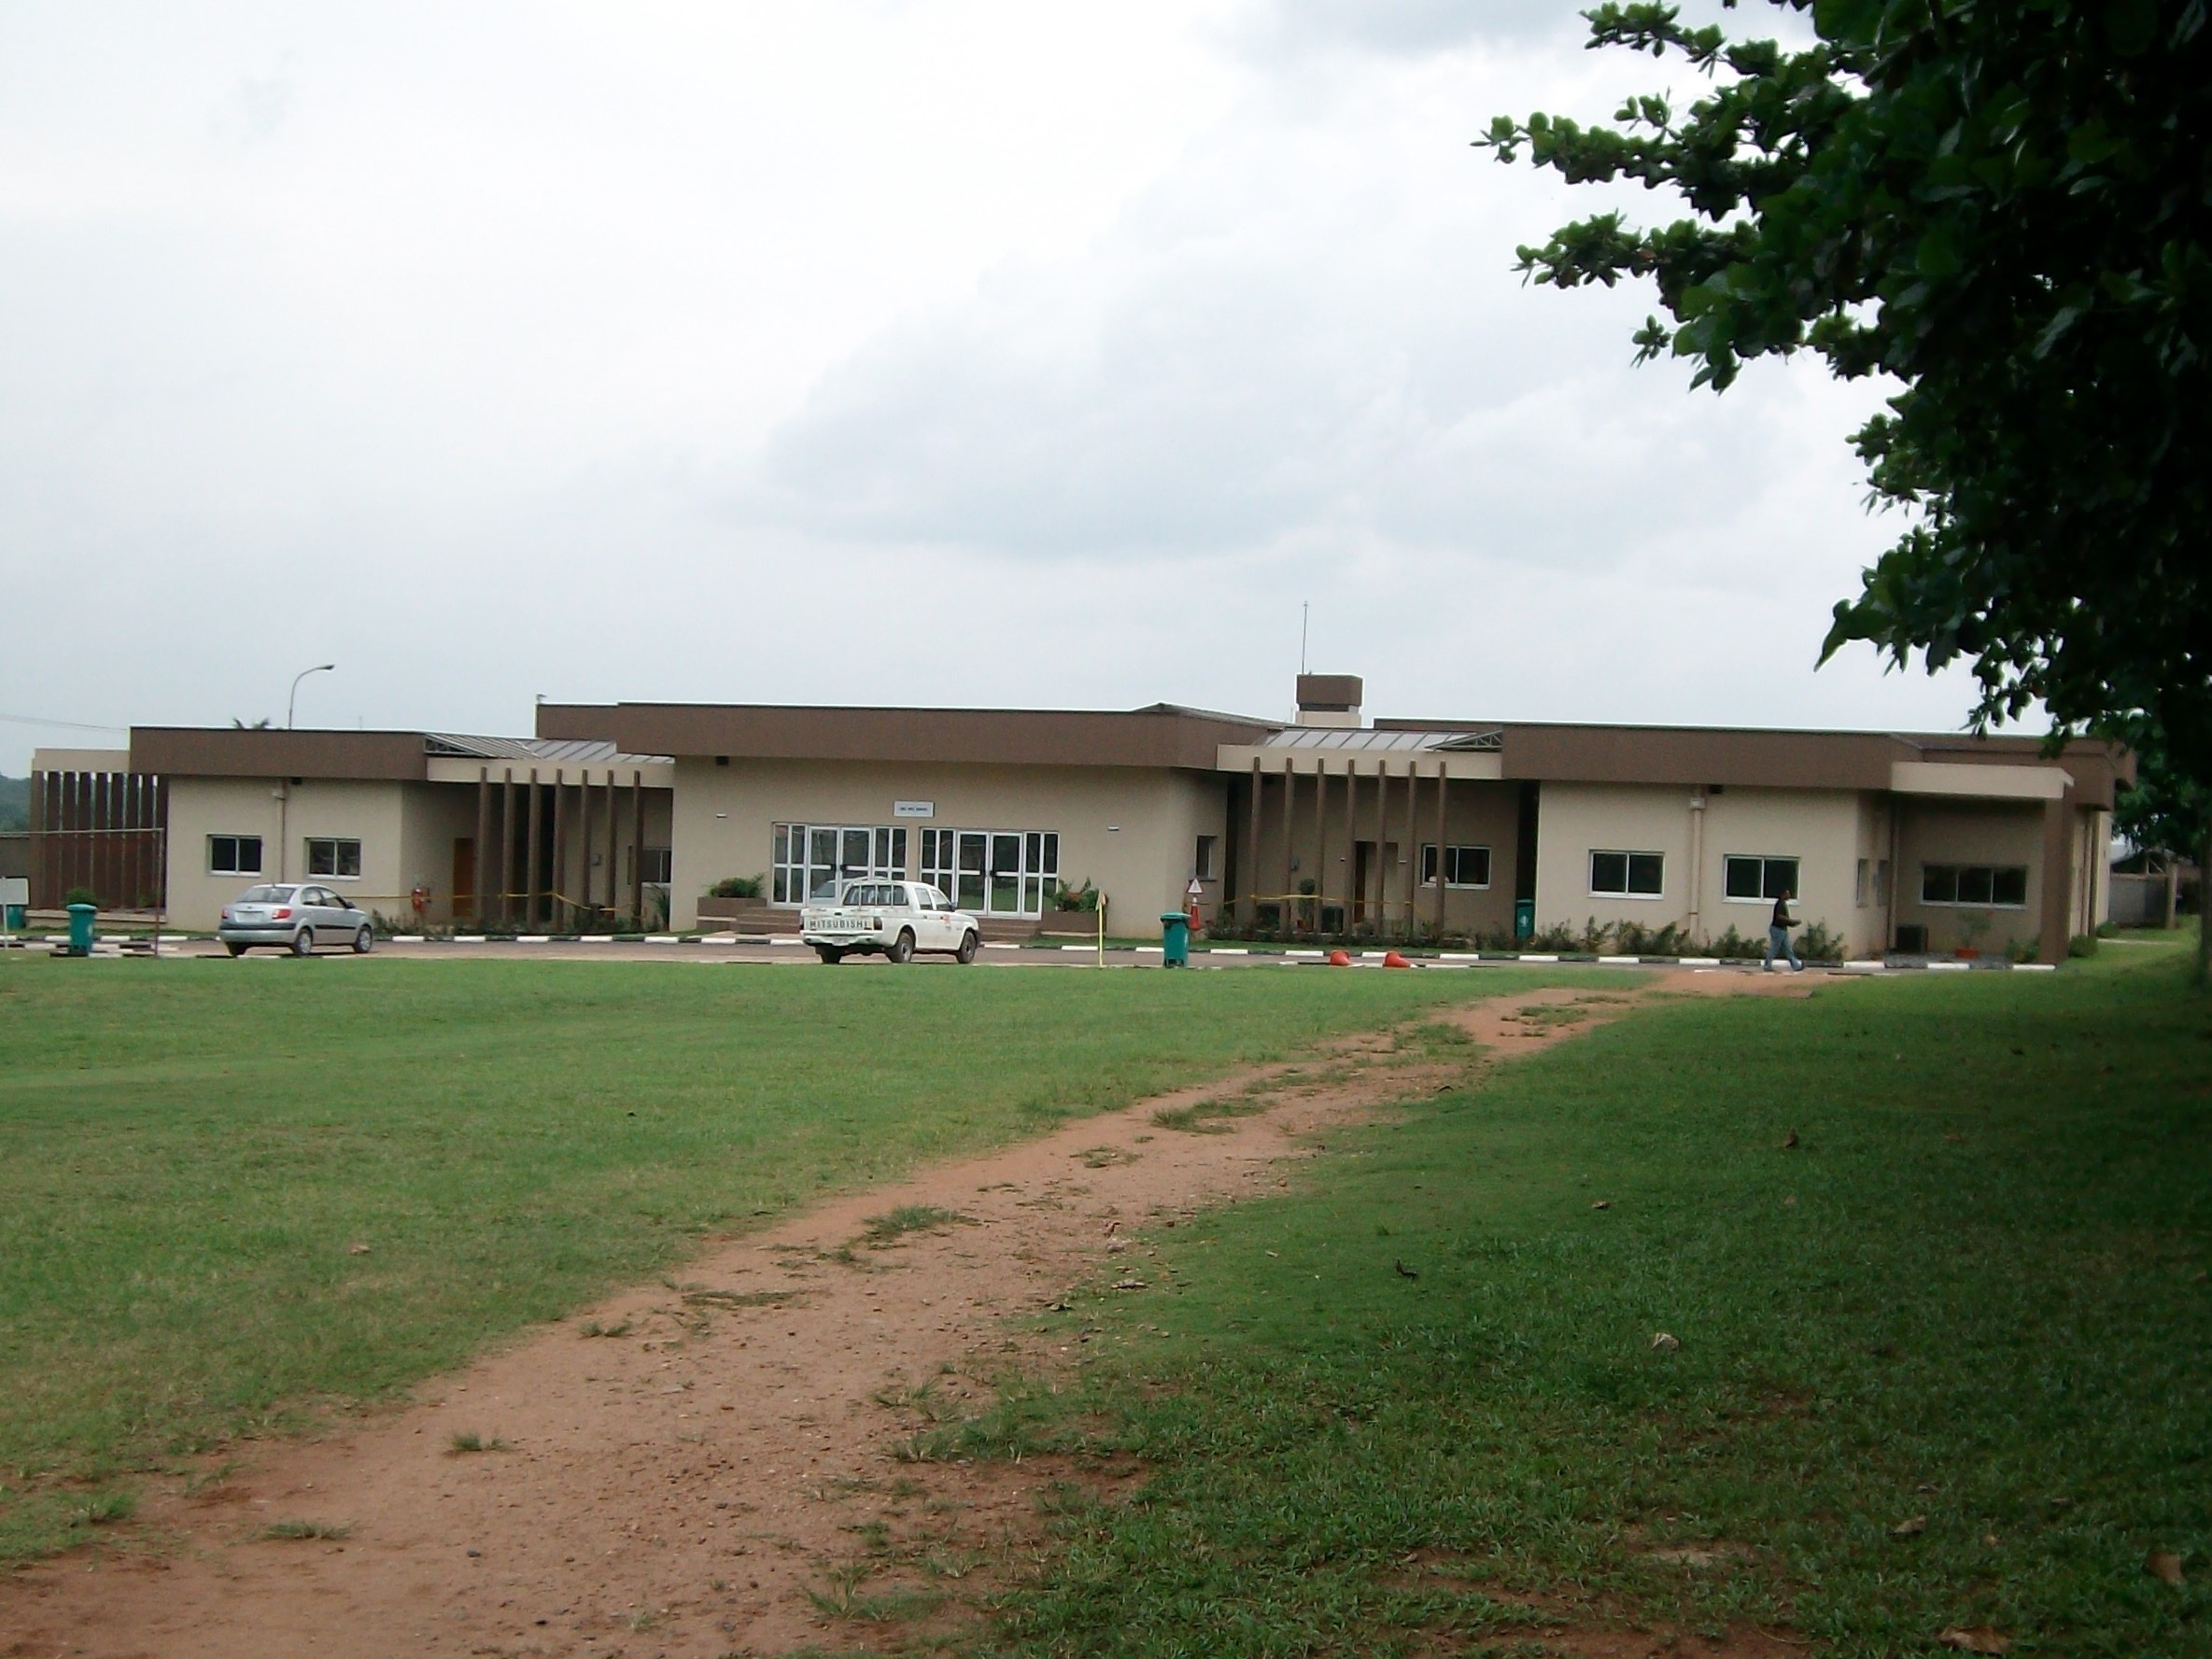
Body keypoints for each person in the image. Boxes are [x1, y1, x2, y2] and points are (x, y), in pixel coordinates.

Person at [1766, 886, 1804, 971]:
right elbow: (1780, 917)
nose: (1789, 895)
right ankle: (1767, 965)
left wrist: (1792, 923)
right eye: (1787, 893)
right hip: (1777, 929)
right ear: (1783, 894)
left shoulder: (1783, 904)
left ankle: (1796, 966)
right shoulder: (1780, 904)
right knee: (1774, 948)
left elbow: (1785, 920)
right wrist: (1791, 921)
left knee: (1788, 949)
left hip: (1782, 930)